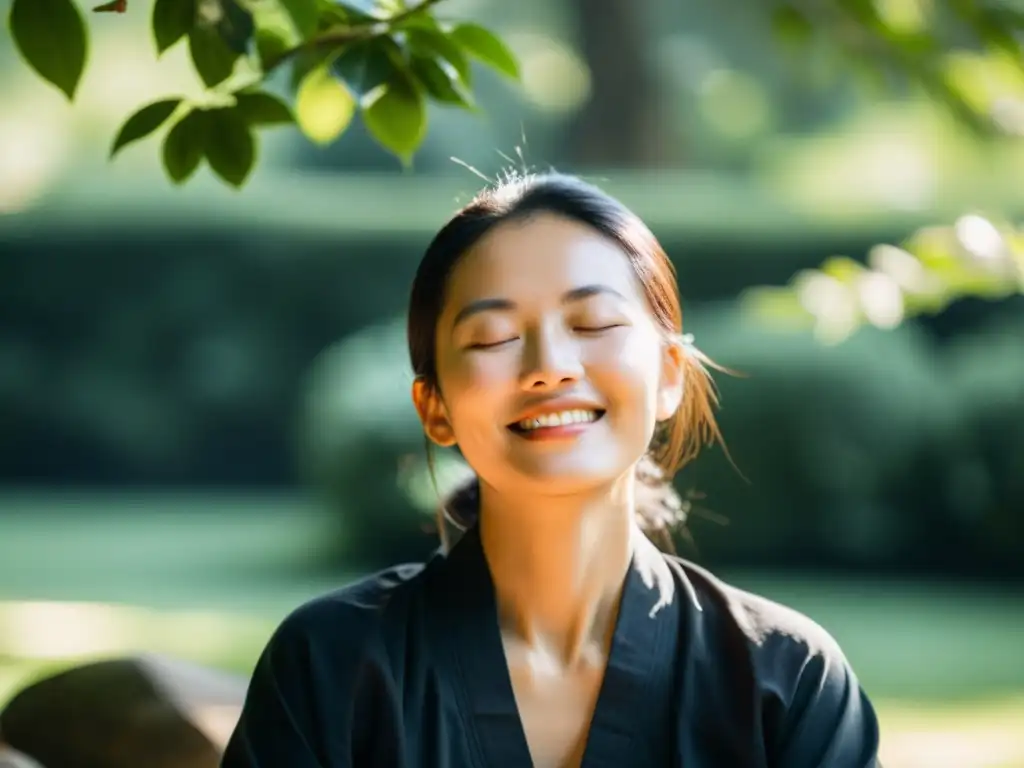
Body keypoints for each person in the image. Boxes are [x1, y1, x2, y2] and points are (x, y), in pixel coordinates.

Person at [221, 172, 881, 768]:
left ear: (669, 376)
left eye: (593, 323)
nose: (549, 364)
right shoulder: (332, 666)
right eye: (493, 338)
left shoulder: (787, 680)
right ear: (436, 407)